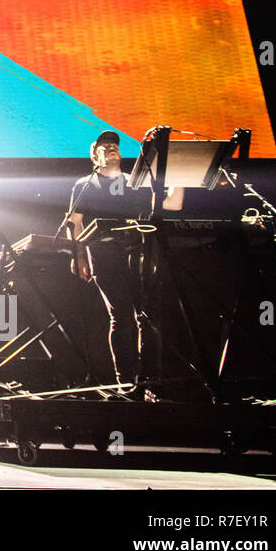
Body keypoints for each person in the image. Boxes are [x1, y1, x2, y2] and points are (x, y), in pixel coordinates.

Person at [67, 130, 183, 400]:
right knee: (121, 316)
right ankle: (127, 384)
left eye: (115, 146)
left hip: (139, 251)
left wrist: (180, 179)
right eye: (104, 147)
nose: (111, 149)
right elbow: (75, 222)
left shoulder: (136, 182)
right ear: (94, 155)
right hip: (104, 253)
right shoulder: (86, 184)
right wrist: (78, 255)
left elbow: (171, 205)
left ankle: (150, 382)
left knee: (148, 317)